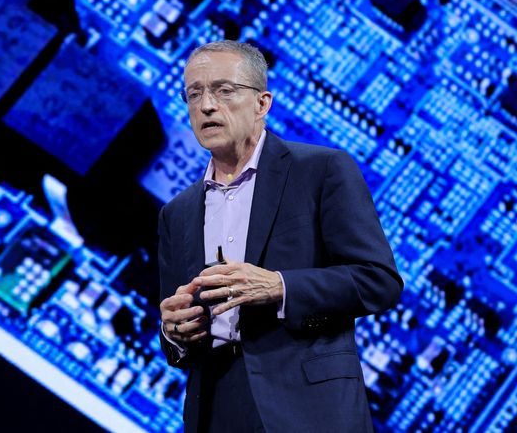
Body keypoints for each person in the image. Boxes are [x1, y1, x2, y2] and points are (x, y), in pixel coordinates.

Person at [157, 40, 403, 432]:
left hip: (308, 407)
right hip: (216, 410)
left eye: (224, 90)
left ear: (262, 103)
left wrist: (279, 286)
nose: (206, 105)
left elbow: (379, 281)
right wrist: (174, 333)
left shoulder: (320, 171)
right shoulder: (177, 214)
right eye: (194, 93)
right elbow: (179, 340)